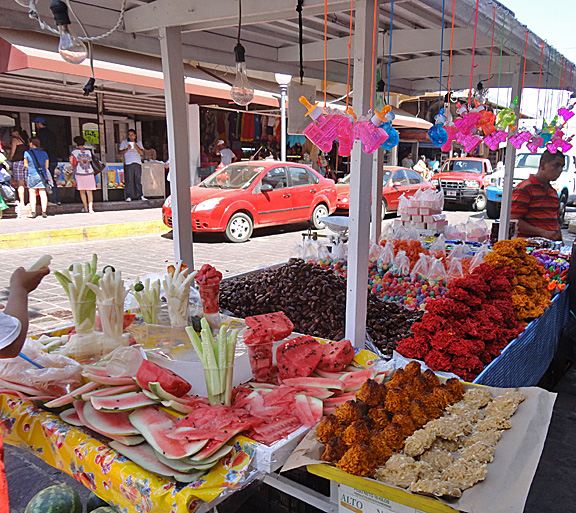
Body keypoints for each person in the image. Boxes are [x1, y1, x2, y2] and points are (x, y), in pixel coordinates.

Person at [511, 149, 565, 241]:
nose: (560, 170)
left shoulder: (553, 193)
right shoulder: (525, 189)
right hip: (529, 247)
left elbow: (554, 222)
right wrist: (543, 233)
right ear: (542, 165)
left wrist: (560, 240)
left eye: (562, 166)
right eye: (556, 165)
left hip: (549, 249)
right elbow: (513, 221)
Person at [32, 117, 60, 205]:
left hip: (45, 160)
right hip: (53, 159)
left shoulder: (41, 134)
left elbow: (43, 147)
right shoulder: (52, 134)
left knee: (44, 180)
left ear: (39, 124)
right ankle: (56, 199)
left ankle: (50, 200)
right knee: (52, 180)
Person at [23, 138, 52, 218]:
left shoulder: (27, 153)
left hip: (32, 174)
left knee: (32, 193)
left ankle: (33, 212)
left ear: (31, 143)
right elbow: (47, 166)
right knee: (43, 192)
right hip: (42, 175)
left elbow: (26, 165)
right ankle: (44, 212)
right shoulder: (44, 153)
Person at [70, 136, 97, 214]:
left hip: (79, 172)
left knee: (82, 191)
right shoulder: (88, 151)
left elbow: (71, 161)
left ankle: (85, 207)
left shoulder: (74, 151)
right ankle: (91, 208)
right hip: (89, 172)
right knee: (89, 191)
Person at [119, 129, 146, 202]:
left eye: (132, 135)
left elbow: (141, 153)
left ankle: (140, 195)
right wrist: (127, 149)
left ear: (135, 135)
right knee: (129, 180)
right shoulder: (124, 142)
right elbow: (120, 152)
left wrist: (135, 145)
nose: (130, 136)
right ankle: (129, 196)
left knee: (138, 180)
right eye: (129, 135)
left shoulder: (139, 142)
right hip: (128, 162)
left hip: (137, 162)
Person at [9, 127, 29, 217]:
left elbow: (13, 152)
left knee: (20, 182)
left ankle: (21, 202)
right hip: (25, 162)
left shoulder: (15, 140)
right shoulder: (24, 140)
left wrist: (9, 159)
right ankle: (28, 200)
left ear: (16, 132)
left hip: (17, 162)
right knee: (25, 182)